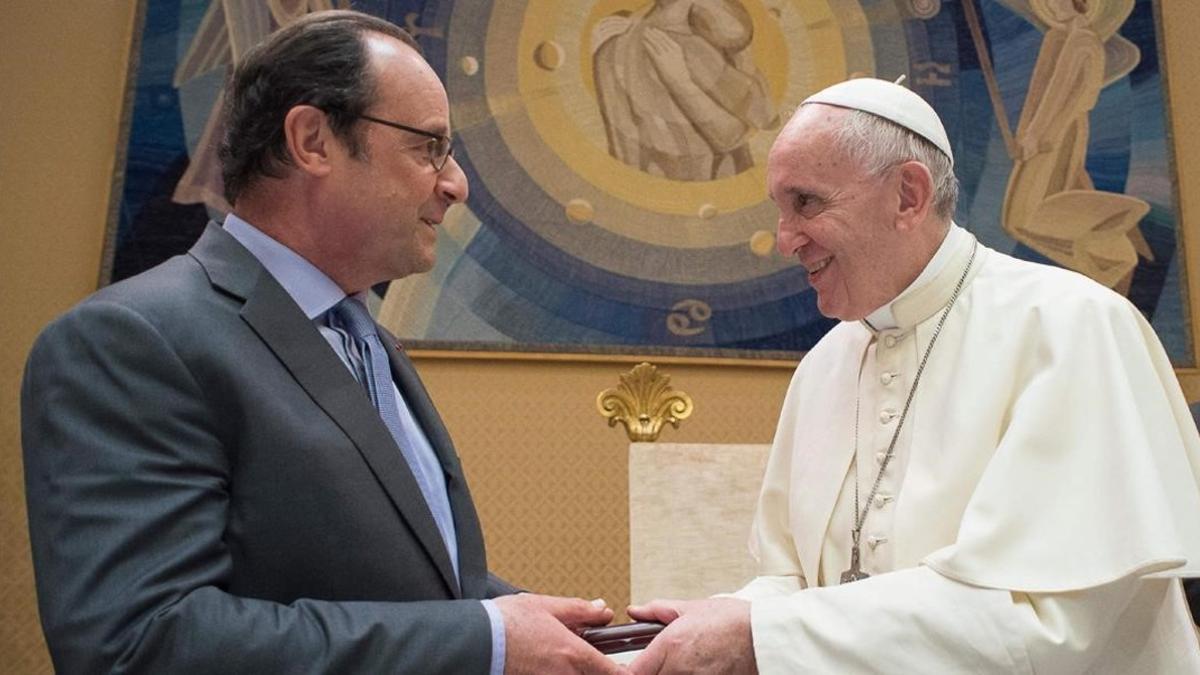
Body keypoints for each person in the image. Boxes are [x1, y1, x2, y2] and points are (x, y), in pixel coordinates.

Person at [21, 11, 621, 674]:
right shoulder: (130, 342)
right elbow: (141, 641)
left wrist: (557, 630)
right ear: (312, 139)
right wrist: (487, 639)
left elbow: (412, 587)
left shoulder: (370, 342)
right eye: (428, 147)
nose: (455, 185)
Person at [625, 77, 1200, 673]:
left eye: (806, 202)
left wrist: (760, 635)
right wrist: (710, 624)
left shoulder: (1073, 327)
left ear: (908, 195)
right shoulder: (825, 365)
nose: (784, 239)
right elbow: (793, 580)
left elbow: (1051, 626)